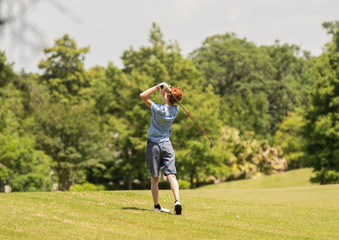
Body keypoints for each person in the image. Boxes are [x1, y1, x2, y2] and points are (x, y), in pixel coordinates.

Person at [139, 82, 183, 215]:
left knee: (155, 177)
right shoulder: (175, 110)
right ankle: (177, 201)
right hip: (166, 145)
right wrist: (168, 91)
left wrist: (158, 87)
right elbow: (166, 98)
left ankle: (157, 205)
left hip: (153, 145)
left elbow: (143, 96)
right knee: (171, 174)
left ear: (168, 96)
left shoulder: (158, 109)